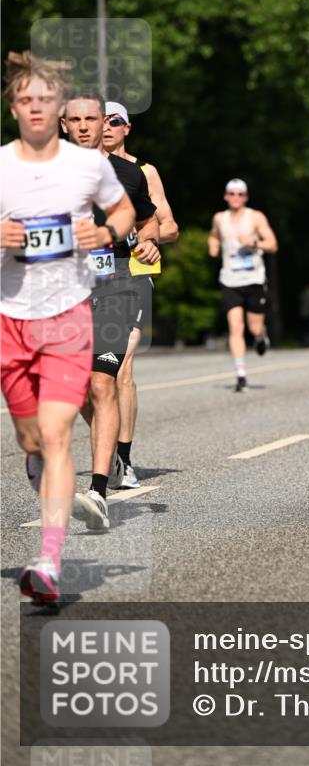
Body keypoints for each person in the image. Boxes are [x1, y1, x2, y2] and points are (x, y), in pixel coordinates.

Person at [1, 52, 134, 602]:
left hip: (69, 317)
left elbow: (124, 211)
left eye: (44, 99)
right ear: (15, 108)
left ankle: (48, 563)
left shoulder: (89, 166)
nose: (36, 108)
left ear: (58, 108)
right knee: (31, 438)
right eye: (25, 100)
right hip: (11, 320)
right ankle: (39, 469)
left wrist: (106, 235)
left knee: (57, 435)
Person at [62, 94, 159, 530]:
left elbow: (150, 220)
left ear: (104, 124)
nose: (85, 127)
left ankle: (99, 490)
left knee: (105, 383)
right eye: (76, 120)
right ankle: (109, 449)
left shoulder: (127, 174)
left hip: (116, 286)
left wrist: (149, 238)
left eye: (93, 120)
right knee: (80, 393)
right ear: (63, 125)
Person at [102, 101, 179, 488]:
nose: (106, 127)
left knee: (122, 368)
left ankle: (124, 460)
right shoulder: (83, 172)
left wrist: (143, 238)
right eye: (101, 120)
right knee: (93, 376)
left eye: (114, 121)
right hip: (95, 275)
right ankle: (108, 450)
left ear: (127, 128)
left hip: (135, 272)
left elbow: (169, 227)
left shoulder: (144, 172)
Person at [208, 179, 278, 392]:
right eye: (232, 193)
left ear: (246, 197)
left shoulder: (255, 217)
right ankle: (240, 375)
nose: (235, 197)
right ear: (225, 196)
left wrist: (254, 243)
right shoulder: (220, 218)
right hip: (230, 279)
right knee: (235, 327)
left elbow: (273, 245)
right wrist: (213, 247)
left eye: (240, 194)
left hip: (254, 278)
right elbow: (214, 236)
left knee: (253, 326)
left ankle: (260, 336)